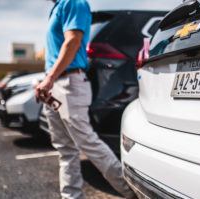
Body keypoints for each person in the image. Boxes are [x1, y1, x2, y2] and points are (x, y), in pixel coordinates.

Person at [35, 0, 136, 198]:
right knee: (65, 149)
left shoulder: (73, 2)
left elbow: (73, 41)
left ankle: (131, 192)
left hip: (68, 84)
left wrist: (49, 78)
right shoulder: (56, 8)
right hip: (54, 84)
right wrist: (47, 80)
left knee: (88, 143)